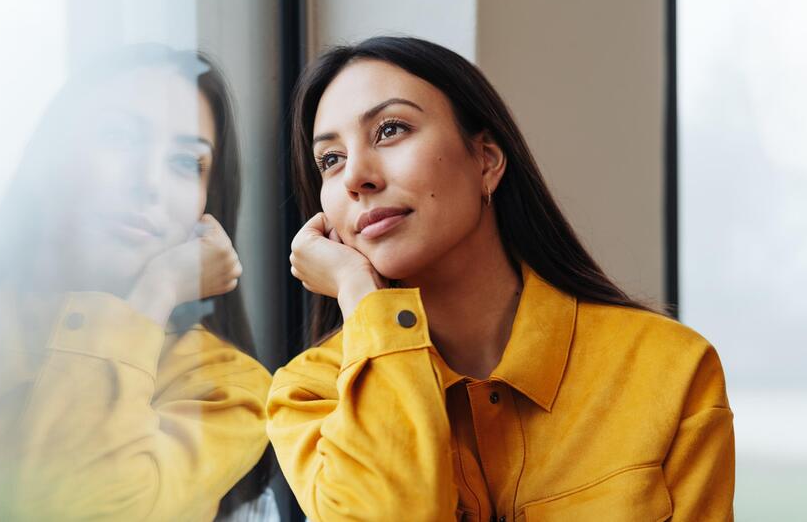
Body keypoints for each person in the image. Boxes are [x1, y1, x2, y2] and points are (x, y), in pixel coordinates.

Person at [267, 36, 734, 521]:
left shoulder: (668, 368)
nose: (356, 177)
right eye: (331, 159)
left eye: (390, 130)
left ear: (486, 160)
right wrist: (361, 296)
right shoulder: (311, 393)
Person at [0, 45, 274, 521]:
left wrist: (156, 291)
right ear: (48, 163)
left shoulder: (223, 387)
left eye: (186, 162)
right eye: (120, 138)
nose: (149, 182)